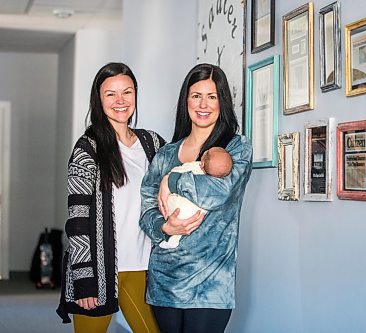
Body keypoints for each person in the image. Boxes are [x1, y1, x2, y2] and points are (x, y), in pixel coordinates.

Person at [139, 63, 252, 333]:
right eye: (196, 95)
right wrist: (163, 228)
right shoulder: (166, 154)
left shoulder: (236, 148)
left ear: (222, 102)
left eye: (212, 96)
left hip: (210, 282)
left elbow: (219, 193)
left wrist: (173, 180)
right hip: (164, 279)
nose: (203, 104)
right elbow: (146, 205)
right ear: (186, 101)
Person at [56, 62, 164, 333]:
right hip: (97, 271)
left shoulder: (152, 143)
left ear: (136, 95)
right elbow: (78, 219)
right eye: (110, 94)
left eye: (127, 92)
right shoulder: (87, 148)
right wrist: (83, 279)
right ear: (98, 99)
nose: (120, 101)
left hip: (142, 268)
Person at [158, 146, 233, 249]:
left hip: (178, 211)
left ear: (202, 163)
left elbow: (176, 172)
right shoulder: (214, 183)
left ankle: (172, 238)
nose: (206, 150)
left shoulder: (194, 167)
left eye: (208, 152)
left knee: (169, 202)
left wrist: (168, 179)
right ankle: (174, 240)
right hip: (195, 216)